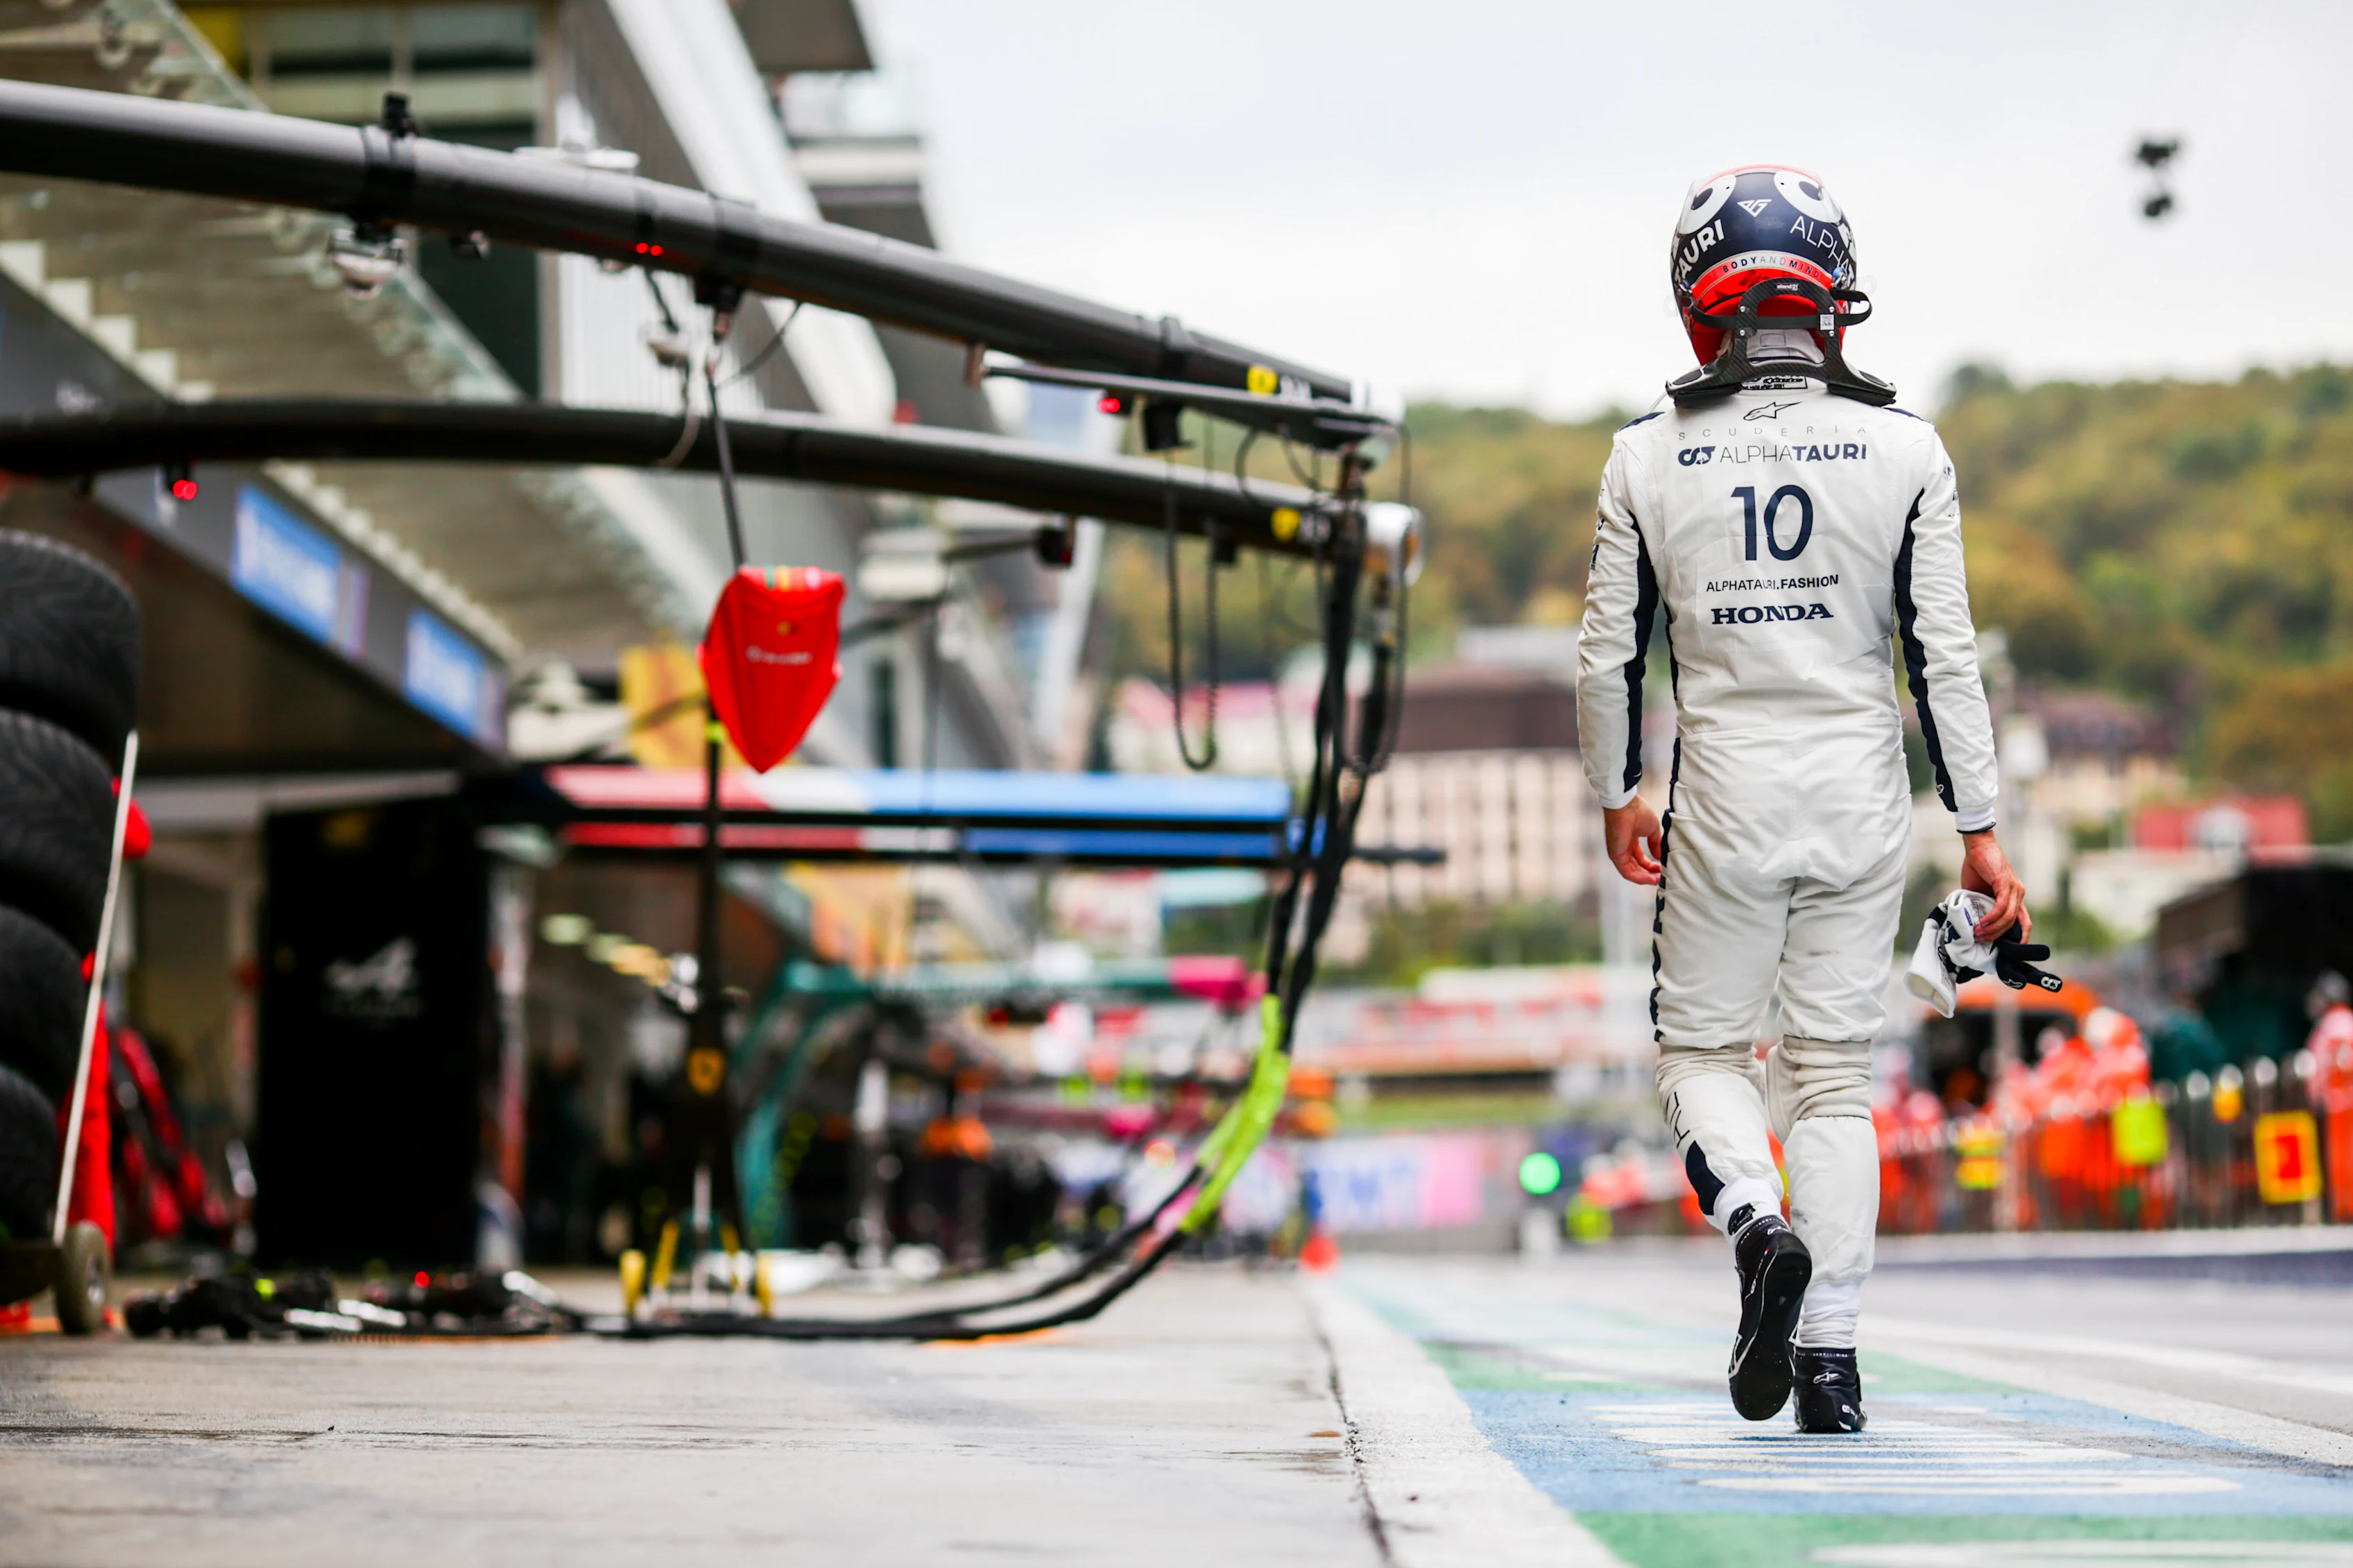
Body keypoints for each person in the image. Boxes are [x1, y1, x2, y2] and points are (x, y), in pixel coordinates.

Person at [1575, 164, 2029, 1433]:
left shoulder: (1642, 459)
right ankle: (1830, 1362)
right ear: (1834, 293)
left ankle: (1754, 1225)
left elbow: (1608, 653)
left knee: (1705, 1054)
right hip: (1862, 787)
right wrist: (1982, 834)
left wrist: (1618, 792)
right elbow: (1945, 658)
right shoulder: (1908, 449)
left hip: (1724, 782)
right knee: (1830, 1080)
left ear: (1694, 308)